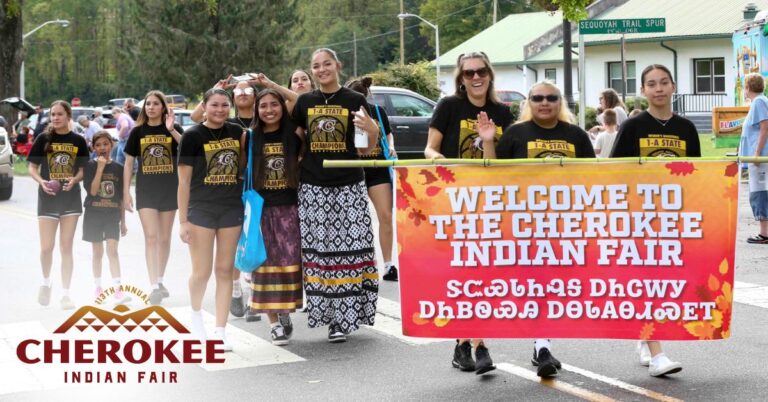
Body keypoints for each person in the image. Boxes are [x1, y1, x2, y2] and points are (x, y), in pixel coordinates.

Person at [480, 80, 594, 377]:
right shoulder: (516, 133)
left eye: (551, 98)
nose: (545, 103)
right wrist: (489, 141)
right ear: (528, 102)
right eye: (538, 98)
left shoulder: (576, 135)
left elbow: (594, 178)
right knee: (532, 285)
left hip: (565, 224)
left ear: (560, 102)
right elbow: (493, 176)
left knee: (551, 286)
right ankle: (537, 345)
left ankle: (542, 344)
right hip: (524, 223)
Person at [425, 51, 513, 375]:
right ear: (461, 79)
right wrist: (438, 160)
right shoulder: (449, 106)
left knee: (485, 274)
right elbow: (430, 148)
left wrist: (488, 140)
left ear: (490, 74)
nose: (476, 77)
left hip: (490, 200)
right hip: (455, 198)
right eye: (469, 73)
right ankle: (478, 345)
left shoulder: (503, 112)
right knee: (464, 272)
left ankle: (466, 343)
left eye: (481, 71)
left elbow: (501, 162)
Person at [610, 64, 698, 377]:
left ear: (673, 86)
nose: (658, 88)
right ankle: (656, 351)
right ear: (643, 90)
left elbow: (697, 173)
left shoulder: (687, 128)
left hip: (674, 218)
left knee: (665, 283)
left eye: (663, 82)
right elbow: (615, 171)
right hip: (640, 218)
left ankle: (645, 339)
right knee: (645, 281)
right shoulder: (632, 127)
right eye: (651, 84)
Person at [292, 48, 380, 343]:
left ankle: (346, 316)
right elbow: (295, 143)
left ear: (338, 66)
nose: (321, 69)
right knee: (321, 253)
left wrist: (372, 130)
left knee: (351, 250)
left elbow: (364, 149)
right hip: (313, 187)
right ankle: (329, 316)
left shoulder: (354, 100)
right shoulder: (305, 102)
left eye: (326, 64)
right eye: (316, 66)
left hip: (349, 185)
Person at [178, 88, 244, 350]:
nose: (220, 110)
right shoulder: (192, 136)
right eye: (214, 105)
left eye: (224, 105)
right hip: (201, 210)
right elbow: (183, 182)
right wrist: (183, 220)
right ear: (204, 106)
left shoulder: (237, 132)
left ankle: (220, 330)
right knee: (201, 272)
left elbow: (242, 168)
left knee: (225, 270)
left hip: (231, 207)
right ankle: (196, 316)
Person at [245, 89, 303, 345]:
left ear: (282, 107)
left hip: (291, 208)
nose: (269, 110)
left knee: (289, 263)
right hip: (261, 210)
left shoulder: (296, 133)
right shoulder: (249, 137)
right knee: (264, 266)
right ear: (256, 110)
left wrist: (267, 83)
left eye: (274, 105)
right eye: (263, 106)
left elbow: (297, 99)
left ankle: (284, 310)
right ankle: (274, 324)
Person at [27, 100, 89, 310]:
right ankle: (46, 283)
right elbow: (32, 167)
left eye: (59, 114)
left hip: (70, 199)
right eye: (52, 114)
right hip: (48, 198)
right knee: (46, 248)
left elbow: (82, 169)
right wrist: (41, 182)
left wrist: (75, 180)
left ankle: (66, 294)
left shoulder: (78, 140)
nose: (55, 118)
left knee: (66, 247)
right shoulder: (43, 139)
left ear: (68, 116)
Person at [123, 91, 183, 304]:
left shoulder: (172, 128)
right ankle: (153, 286)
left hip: (169, 189)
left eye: (156, 104)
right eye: (148, 103)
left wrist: (171, 129)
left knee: (164, 238)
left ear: (163, 107)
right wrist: (125, 192)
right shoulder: (137, 131)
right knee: (151, 237)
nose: (151, 107)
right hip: (146, 190)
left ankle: (160, 279)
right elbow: (128, 163)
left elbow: (187, 146)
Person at [346, 76, 398, 281]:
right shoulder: (346, 113)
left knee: (385, 215)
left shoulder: (377, 111)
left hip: (378, 168)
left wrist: (391, 146)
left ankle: (388, 264)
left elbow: (388, 133)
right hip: (354, 169)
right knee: (355, 220)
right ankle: (356, 265)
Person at [83, 131, 129, 304]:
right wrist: (100, 168)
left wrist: (123, 222)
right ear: (93, 148)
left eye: (105, 144)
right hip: (93, 214)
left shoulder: (119, 168)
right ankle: (98, 288)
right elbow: (93, 191)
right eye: (98, 145)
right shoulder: (89, 166)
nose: (102, 148)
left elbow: (121, 198)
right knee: (97, 252)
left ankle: (118, 289)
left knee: (112, 250)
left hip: (112, 215)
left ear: (112, 145)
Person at [739, 73, 768, 244]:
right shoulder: (760, 102)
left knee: (759, 192)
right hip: (757, 158)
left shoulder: (758, 102)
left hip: (759, 159)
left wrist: (756, 153)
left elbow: (765, 127)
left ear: (748, 87)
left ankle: (764, 233)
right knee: (760, 191)